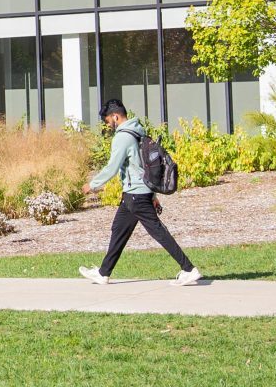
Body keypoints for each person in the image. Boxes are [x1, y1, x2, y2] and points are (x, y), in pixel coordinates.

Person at [78, 97, 205, 286]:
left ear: (115, 116)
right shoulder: (138, 132)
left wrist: (92, 185)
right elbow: (144, 167)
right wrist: (152, 195)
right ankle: (103, 272)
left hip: (135, 195)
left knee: (158, 232)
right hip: (136, 194)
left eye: (107, 121)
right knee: (118, 230)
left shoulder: (123, 137)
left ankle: (188, 269)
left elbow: (112, 167)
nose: (108, 125)